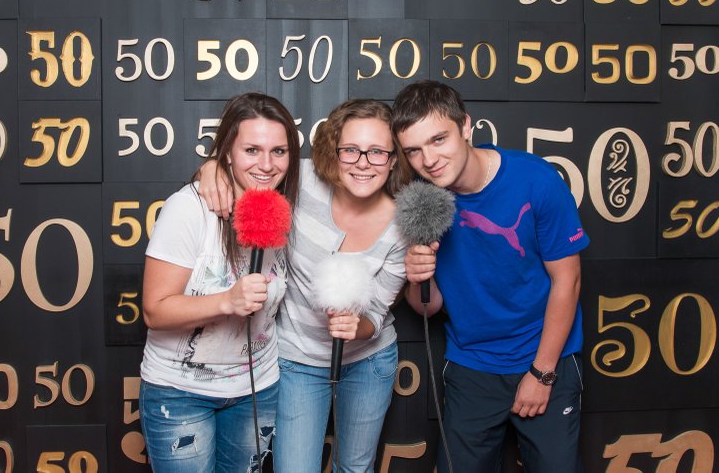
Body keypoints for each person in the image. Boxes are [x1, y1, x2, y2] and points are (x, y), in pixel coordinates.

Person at [200, 99, 413, 472]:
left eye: (377, 152)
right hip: (297, 359)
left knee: (356, 468)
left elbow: (378, 312)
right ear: (334, 152)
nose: (363, 163)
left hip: (369, 361)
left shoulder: (402, 226)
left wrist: (358, 327)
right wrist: (213, 167)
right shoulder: (303, 182)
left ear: (393, 160)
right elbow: (255, 170)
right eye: (351, 150)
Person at [391, 80, 589, 472]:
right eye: (413, 150)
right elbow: (428, 308)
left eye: (438, 140)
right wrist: (417, 277)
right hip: (473, 364)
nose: (428, 159)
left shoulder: (535, 179)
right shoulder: (420, 198)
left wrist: (542, 373)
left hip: (544, 355)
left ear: (466, 126)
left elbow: (568, 281)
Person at [138, 93, 301, 472]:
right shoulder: (189, 208)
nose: (266, 164)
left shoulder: (289, 205)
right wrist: (226, 301)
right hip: (180, 392)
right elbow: (155, 310)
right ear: (227, 151)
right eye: (251, 150)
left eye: (279, 151)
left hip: (257, 389)